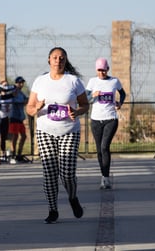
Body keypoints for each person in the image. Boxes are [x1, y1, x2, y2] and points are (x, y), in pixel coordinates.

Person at [26, 47, 89, 224]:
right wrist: (36, 108)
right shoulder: (40, 81)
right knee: (49, 172)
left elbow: (85, 105)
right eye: (55, 57)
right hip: (45, 130)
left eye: (62, 58)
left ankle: (73, 197)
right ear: (49, 60)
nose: (58, 60)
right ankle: (52, 209)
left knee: (67, 173)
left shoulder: (73, 81)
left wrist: (77, 112)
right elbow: (29, 108)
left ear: (65, 60)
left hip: (69, 131)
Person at [86, 58, 126, 189]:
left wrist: (120, 103)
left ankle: (106, 178)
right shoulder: (92, 82)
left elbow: (123, 93)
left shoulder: (114, 81)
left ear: (107, 69)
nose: (101, 72)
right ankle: (103, 176)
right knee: (99, 150)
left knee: (104, 147)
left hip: (110, 119)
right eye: (99, 70)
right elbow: (85, 98)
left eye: (103, 70)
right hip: (96, 120)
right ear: (96, 70)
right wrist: (93, 95)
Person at [9, 76, 28, 164]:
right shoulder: (14, 91)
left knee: (23, 136)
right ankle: (13, 154)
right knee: (14, 136)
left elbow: (25, 99)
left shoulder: (21, 92)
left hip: (20, 117)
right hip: (14, 116)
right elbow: (14, 100)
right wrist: (23, 102)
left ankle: (19, 154)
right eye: (19, 83)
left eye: (22, 83)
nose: (21, 84)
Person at [0, 80, 12, 162]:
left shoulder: (8, 97)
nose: (5, 87)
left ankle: (3, 153)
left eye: (6, 85)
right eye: (3, 85)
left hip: (6, 118)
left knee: (4, 137)